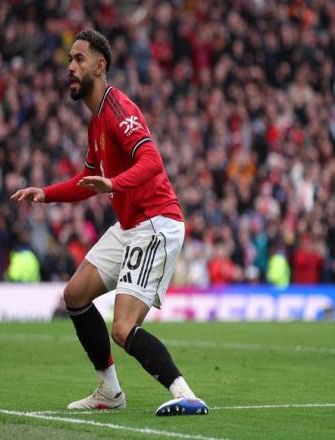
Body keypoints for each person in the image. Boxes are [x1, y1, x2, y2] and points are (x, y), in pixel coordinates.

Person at [11, 29, 208, 416]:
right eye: (69, 59)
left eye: (79, 59)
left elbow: (152, 162)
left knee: (122, 328)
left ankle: (185, 393)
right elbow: (89, 180)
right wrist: (46, 193)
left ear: (100, 66)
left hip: (155, 222)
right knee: (75, 295)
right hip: (130, 225)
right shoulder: (95, 121)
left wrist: (114, 184)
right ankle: (109, 391)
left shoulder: (119, 109)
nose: (70, 67)